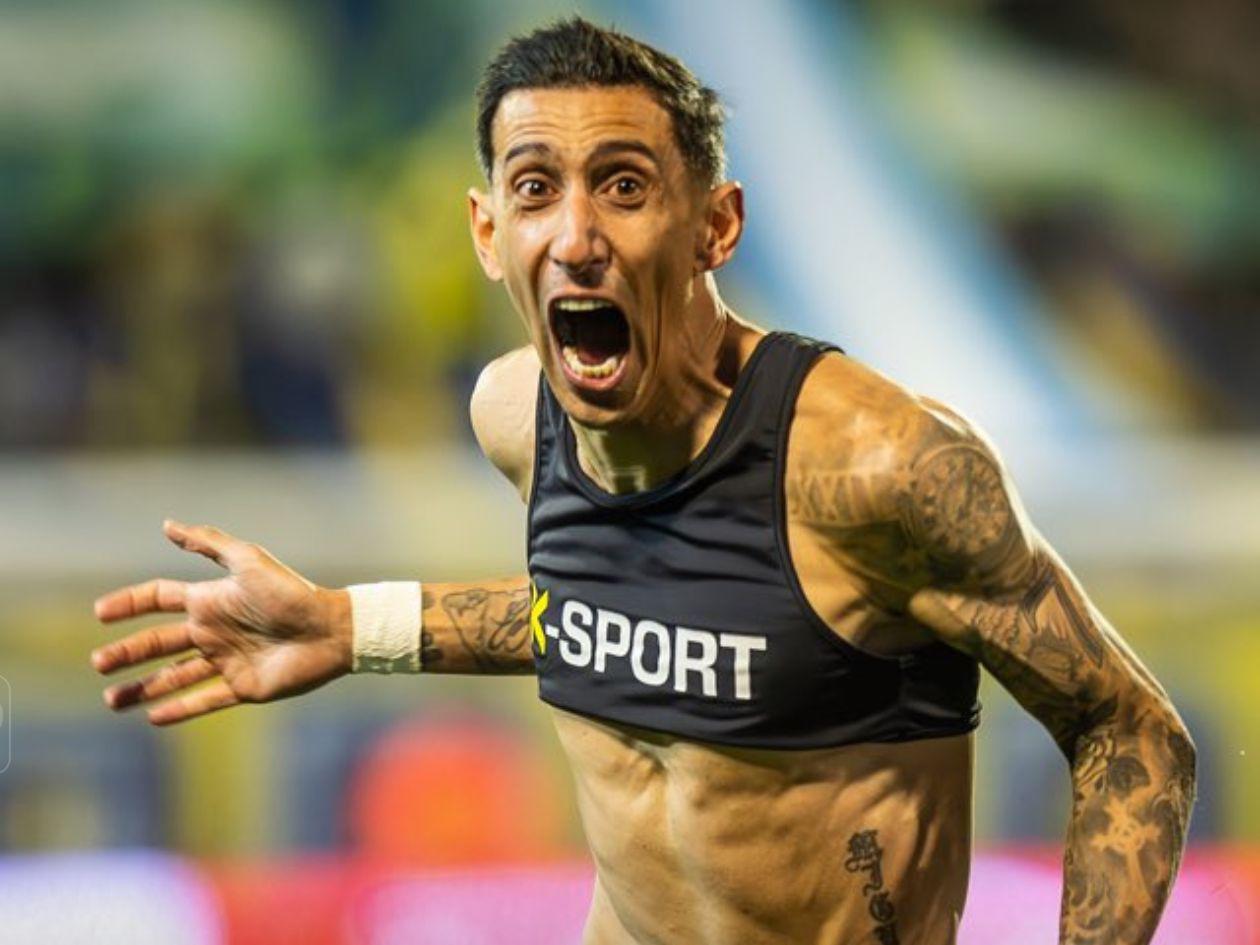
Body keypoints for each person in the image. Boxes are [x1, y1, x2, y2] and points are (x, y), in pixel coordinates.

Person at [91, 17, 1196, 945]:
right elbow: (607, 616)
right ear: (489, 232)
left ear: (716, 225)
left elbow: (1131, 730)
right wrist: (351, 626)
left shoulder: (880, 466)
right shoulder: (515, 417)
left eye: (624, 186)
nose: (577, 237)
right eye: (536, 189)